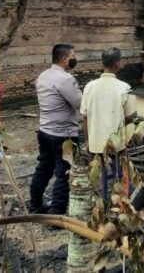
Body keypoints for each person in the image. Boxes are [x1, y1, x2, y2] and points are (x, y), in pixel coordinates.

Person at [29, 43, 82, 215]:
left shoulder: (43, 76)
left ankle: (35, 205)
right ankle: (56, 211)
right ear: (65, 59)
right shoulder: (66, 80)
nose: (75, 58)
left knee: (44, 168)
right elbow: (80, 104)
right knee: (64, 172)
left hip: (45, 131)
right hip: (63, 136)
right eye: (73, 56)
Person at [80, 47, 135, 198]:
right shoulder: (124, 88)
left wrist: (87, 140)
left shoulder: (89, 87)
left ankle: (102, 203)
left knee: (100, 177)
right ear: (118, 64)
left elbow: (85, 117)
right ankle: (122, 202)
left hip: (96, 141)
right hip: (116, 142)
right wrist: (127, 138)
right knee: (120, 174)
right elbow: (130, 117)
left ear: (102, 63)